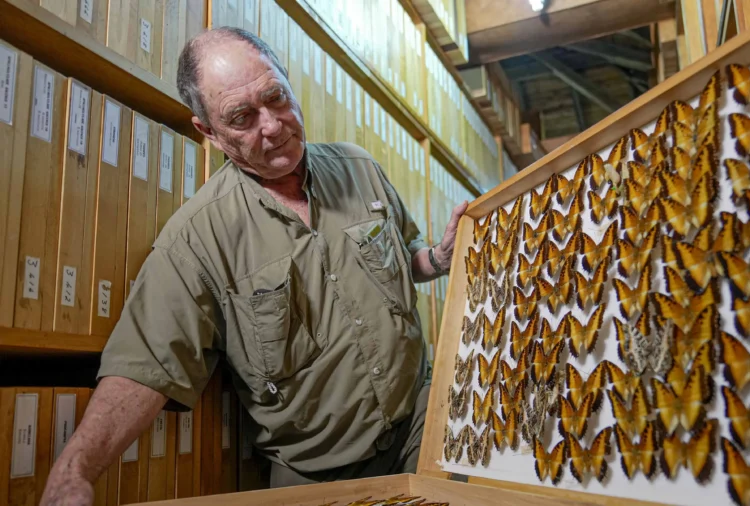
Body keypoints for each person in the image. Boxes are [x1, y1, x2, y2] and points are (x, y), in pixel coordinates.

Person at [40, 27, 468, 505]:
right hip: (324, 473)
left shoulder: (359, 166)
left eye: (276, 98)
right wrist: (74, 471)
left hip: (423, 426)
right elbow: (144, 366)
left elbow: (401, 259)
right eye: (242, 117)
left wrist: (438, 259)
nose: (272, 125)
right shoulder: (198, 238)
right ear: (209, 132)